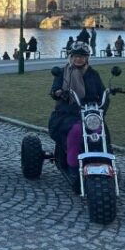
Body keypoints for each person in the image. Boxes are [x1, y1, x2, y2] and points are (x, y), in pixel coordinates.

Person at [48, 42, 106, 180]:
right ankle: (73, 167)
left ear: (87, 58)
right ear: (71, 57)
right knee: (76, 131)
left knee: (102, 132)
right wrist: (59, 92)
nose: (78, 59)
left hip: (90, 113)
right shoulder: (63, 72)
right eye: (75, 56)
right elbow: (54, 91)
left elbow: (102, 93)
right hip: (67, 113)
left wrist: (102, 109)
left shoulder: (93, 74)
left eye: (82, 56)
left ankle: (106, 162)